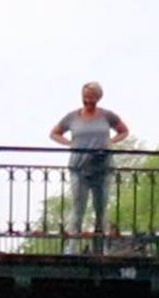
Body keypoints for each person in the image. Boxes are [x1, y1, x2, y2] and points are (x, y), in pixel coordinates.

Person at [49, 82, 129, 253]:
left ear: (98, 97)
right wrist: (70, 143)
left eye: (92, 96)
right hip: (79, 166)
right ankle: (71, 247)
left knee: (101, 207)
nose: (88, 99)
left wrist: (110, 142)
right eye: (85, 95)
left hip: (102, 166)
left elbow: (123, 130)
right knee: (78, 207)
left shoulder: (107, 116)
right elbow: (54, 133)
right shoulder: (72, 117)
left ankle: (100, 247)